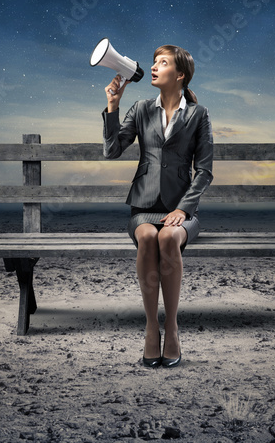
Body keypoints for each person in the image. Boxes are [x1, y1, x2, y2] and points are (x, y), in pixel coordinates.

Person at [102, 45, 214, 368]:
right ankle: (152, 326)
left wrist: (183, 209)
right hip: (143, 209)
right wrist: (113, 106)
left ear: (179, 75)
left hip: (183, 211)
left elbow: (204, 171)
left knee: (167, 237)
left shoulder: (198, 114)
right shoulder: (139, 109)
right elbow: (112, 151)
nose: (153, 67)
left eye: (162, 63)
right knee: (150, 236)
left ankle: (172, 327)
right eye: (153, 62)